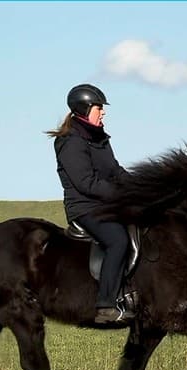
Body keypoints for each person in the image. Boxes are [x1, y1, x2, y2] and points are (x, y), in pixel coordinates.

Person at [46, 83, 134, 324]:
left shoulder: (99, 137)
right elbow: (86, 183)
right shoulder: (70, 141)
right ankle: (105, 305)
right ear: (84, 110)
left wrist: (138, 186)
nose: (103, 112)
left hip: (105, 205)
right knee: (118, 239)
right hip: (85, 208)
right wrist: (120, 195)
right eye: (99, 108)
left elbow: (115, 171)